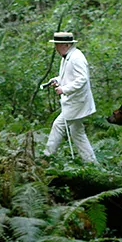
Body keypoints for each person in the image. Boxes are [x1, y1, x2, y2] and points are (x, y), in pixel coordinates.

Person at [42, 31, 98, 163]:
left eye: (58, 45)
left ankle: (47, 156)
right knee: (77, 133)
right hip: (73, 102)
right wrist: (57, 80)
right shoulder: (67, 56)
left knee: (58, 125)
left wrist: (64, 89)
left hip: (77, 102)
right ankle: (91, 162)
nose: (56, 48)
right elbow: (69, 77)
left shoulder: (76, 57)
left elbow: (82, 79)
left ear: (66, 45)